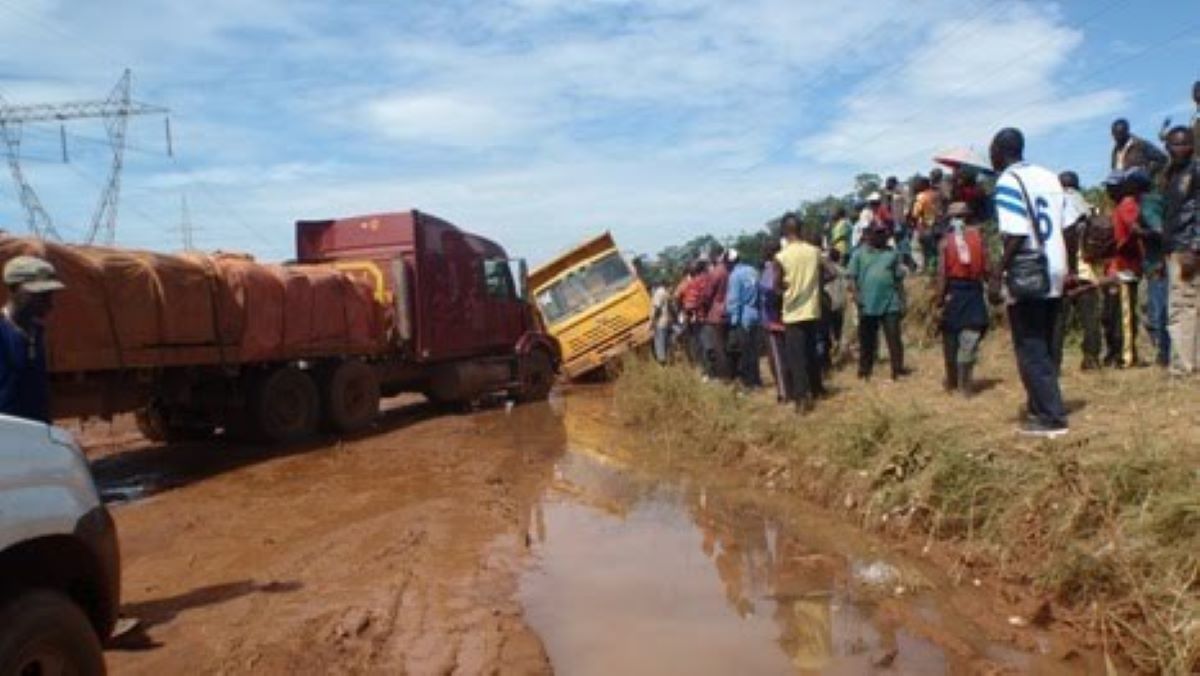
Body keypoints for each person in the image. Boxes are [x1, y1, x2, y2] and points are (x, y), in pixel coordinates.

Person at [991, 127, 1075, 438]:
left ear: (999, 152)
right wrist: (1068, 265)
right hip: (1056, 266)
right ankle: (1041, 406)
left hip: (1028, 271)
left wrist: (998, 270)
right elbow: (1070, 227)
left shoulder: (1008, 182)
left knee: (1030, 344)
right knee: (1050, 342)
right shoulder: (1049, 176)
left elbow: (1016, 232)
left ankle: (1052, 417)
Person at [935, 202, 991, 396]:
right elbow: (988, 269)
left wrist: (939, 299)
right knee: (970, 339)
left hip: (954, 293)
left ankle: (952, 382)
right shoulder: (980, 239)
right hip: (974, 292)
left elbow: (942, 274)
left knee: (950, 339)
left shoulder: (945, 242)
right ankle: (964, 385)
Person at [1, 255, 65, 423]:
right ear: (14, 289)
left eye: (50, 295)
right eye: (41, 295)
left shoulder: (37, 333)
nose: (50, 304)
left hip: (33, 438)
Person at [775, 214, 824, 412]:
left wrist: (785, 287)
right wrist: (813, 285)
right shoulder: (814, 251)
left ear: (785, 232)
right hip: (812, 309)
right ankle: (817, 389)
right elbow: (830, 272)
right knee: (811, 353)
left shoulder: (782, 256)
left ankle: (801, 399)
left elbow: (776, 285)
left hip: (793, 312)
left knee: (796, 358)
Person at [1057, 171, 1105, 371]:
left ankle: (1054, 362)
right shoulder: (1090, 208)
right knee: (1090, 320)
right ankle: (1091, 359)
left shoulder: (1058, 207)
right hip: (1089, 272)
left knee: (1058, 321)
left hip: (1064, 273)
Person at [1162, 125, 1200, 375]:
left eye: (1182, 144)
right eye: (1173, 145)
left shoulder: (1194, 172)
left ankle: (1183, 366)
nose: (1177, 149)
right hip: (1176, 244)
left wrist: (1194, 246)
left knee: (1182, 306)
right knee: (1189, 305)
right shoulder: (1173, 174)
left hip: (1187, 246)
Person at [847, 221, 907, 381]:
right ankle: (864, 370)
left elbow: (898, 280)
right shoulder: (858, 254)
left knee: (894, 337)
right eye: (878, 232)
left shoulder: (892, 254)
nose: (882, 236)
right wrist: (856, 296)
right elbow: (852, 277)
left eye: (883, 232)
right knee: (867, 340)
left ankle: (898, 370)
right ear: (869, 235)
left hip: (890, 302)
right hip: (867, 303)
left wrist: (903, 301)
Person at [1102, 168, 1148, 368]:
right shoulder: (1122, 205)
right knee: (1116, 314)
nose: (1109, 191)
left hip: (1125, 268)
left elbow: (1134, 232)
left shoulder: (1127, 205)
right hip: (1118, 267)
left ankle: (1126, 356)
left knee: (1124, 315)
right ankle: (1117, 354)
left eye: (1113, 187)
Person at [725, 249, 762, 388]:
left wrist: (733, 320)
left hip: (743, 317)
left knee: (745, 352)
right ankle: (757, 379)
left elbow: (734, 300)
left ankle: (750, 382)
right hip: (755, 314)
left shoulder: (735, 276)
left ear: (730, 262)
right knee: (754, 350)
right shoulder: (753, 271)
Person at [759, 239, 791, 402]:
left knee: (778, 359)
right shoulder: (785, 266)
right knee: (788, 355)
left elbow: (771, 290)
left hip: (773, 321)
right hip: (787, 318)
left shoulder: (770, 269)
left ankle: (784, 393)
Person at [699, 247, 731, 381]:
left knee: (719, 347)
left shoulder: (716, 272)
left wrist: (703, 305)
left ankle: (724, 376)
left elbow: (707, 295)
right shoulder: (729, 270)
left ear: (715, 257)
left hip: (716, 313)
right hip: (729, 310)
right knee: (728, 345)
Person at [911, 176, 940, 273]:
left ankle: (925, 269)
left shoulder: (921, 196)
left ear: (923, 185)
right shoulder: (937, 194)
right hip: (939, 226)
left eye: (918, 184)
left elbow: (915, 214)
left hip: (925, 226)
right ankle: (935, 268)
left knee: (918, 248)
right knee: (935, 249)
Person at [650, 282, 673, 365]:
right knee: (663, 341)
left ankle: (662, 361)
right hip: (664, 320)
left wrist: (652, 322)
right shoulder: (664, 292)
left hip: (659, 322)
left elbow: (657, 309)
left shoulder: (659, 293)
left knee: (659, 342)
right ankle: (666, 360)